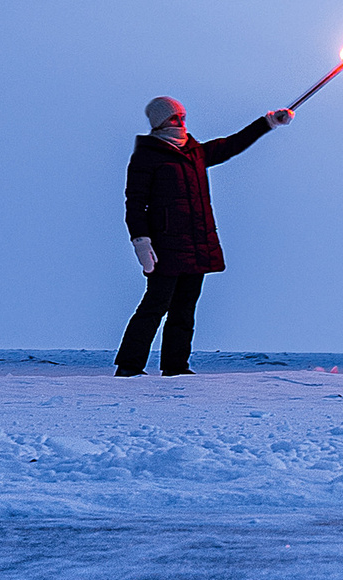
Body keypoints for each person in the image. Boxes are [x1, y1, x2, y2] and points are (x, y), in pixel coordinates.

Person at [116, 92, 293, 375]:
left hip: (196, 244)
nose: (181, 121)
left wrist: (268, 122)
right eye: (175, 117)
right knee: (154, 306)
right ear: (161, 122)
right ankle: (129, 366)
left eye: (183, 116)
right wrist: (141, 241)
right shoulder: (147, 156)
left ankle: (176, 367)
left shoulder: (195, 152)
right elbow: (134, 202)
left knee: (184, 311)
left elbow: (232, 145)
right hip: (165, 247)